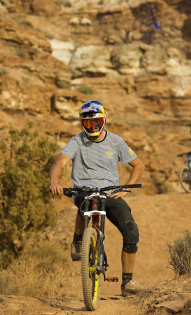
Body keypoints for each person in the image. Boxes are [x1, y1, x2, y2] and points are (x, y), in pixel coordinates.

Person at [49, 100, 146, 296]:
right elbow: (60, 162)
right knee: (83, 204)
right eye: (87, 124)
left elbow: (139, 165)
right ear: (82, 124)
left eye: (96, 122)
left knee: (131, 232)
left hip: (110, 192)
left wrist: (126, 188)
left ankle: (127, 282)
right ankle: (79, 240)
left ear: (103, 120)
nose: (92, 127)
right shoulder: (77, 141)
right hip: (84, 191)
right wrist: (54, 182)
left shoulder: (116, 141)